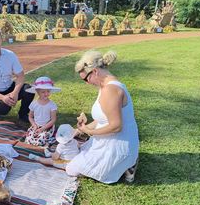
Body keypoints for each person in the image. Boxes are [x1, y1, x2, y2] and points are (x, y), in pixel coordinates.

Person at [66, 50, 139, 183]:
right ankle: (127, 163)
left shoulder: (110, 90)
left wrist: (90, 132)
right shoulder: (107, 85)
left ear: (94, 71)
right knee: (79, 151)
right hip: (114, 141)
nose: (87, 83)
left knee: (71, 169)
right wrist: (82, 129)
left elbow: (116, 126)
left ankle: (127, 165)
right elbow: (103, 119)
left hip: (117, 147)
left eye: (85, 79)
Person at [0, 27, 34, 122]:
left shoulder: (10, 55)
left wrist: (15, 93)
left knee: (29, 89)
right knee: (4, 108)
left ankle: (23, 114)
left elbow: (20, 75)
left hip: (10, 87)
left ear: (1, 40)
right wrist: (3, 98)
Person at [24, 76, 60, 146]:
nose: (46, 94)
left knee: (41, 140)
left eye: (48, 91)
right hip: (36, 126)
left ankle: (50, 138)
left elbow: (53, 119)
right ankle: (42, 139)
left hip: (47, 127)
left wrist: (43, 128)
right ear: (37, 92)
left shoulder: (52, 105)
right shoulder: (34, 104)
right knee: (29, 139)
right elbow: (30, 117)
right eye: (43, 92)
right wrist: (34, 125)